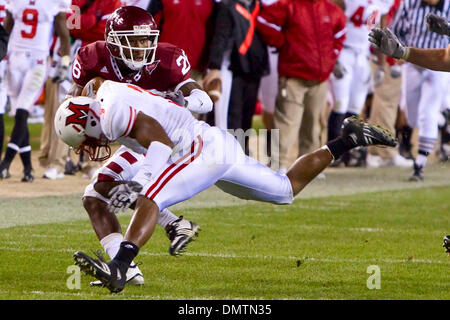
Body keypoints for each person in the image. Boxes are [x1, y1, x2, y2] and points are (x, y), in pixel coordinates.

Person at [53, 80, 397, 293]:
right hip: (215, 146)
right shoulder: (102, 99)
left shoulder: (112, 112)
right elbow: (98, 87)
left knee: (151, 194)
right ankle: (347, 140)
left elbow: (157, 143)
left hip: (199, 149)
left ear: (90, 118)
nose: (88, 147)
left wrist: (144, 185)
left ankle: (121, 266)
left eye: (84, 138)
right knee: (285, 190)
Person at [66, 6, 212, 286]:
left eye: (146, 40)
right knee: (96, 195)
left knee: (100, 193)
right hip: (134, 140)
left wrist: (183, 100)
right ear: (113, 41)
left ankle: (135, 258)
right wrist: (81, 130)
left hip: (164, 140)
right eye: (133, 40)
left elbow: (204, 101)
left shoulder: (167, 58)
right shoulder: (91, 57)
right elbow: (75, 100)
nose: (142, 47)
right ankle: (144, 254)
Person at [256, 0, 347, 173]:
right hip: (293, 76)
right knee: (286, 122)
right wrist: (282, 43)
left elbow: (341, 33)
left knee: (312, 124)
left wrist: (331, 58)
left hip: (319, 77)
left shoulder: (331, 10)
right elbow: (263, 21)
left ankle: (308, 167)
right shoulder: (288, 5)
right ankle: (278, 165)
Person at [368, 0, 449, 181]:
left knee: (427, 112)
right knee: (412, 117)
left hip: (438, 71)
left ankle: (419, 165)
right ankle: (441, 119)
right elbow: (396, 30)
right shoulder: (409, 3)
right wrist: (401, 52)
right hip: (414, 64)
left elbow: (446, 59)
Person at [0, 0, 71, 182]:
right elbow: (6, 30)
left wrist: (65, 62)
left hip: (37, 61)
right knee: (18, 113)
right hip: (14, 58)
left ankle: (5, 163)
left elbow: (63, 33)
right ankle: (28, 168)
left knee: (22, 112)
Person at [327, 0, 393, 167]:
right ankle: (331, 152)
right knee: (340, 103)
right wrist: (332, 55)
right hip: (344, 51)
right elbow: (330, 17)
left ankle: (348, 152)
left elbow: (381, 30)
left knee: (356, 106)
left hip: (363, 55)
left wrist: (381, 63)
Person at [202, 0, 268, 156]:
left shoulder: (259, 6)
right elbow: (220, 37)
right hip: (233, 68)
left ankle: (241, 152)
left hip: (253, 68)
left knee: (247, 114)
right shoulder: (228, 6)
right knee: (230, 114)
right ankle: (227, 152)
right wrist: (215, 66)